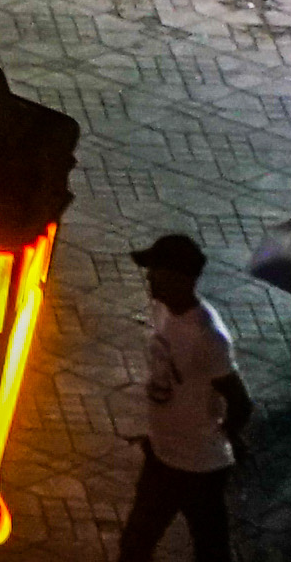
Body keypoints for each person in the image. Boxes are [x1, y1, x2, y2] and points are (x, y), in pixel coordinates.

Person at [120, 227, 248, 562]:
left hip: (198, 468)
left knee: (209, 548)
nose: (149, 278)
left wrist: (223, 435)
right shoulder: (164, 310)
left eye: (156, 272)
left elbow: (239, 399)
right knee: (136, 542)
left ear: (179, 278)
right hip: (163, 454)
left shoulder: (208, 337)